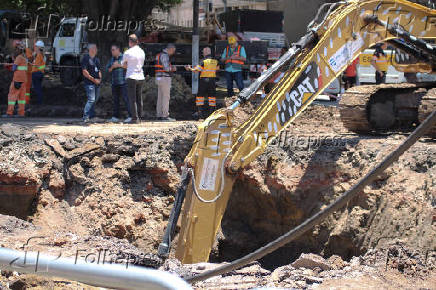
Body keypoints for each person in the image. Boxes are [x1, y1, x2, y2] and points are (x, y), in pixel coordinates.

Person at [185, 47, 219, 120]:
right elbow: (217, 69)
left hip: (204, 81)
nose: (202, 53)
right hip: (212, 81)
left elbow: (197, 70)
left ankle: (201, 116)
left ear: (206, 52)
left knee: (200, 97)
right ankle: (211, 116)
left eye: (203, 52)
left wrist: (189, 68)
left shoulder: (203, 61)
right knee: (212, 98)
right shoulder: (215, 61)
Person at [122, 34, 145, 124]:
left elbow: (124, 65)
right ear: (137, 41)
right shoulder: (142, 51)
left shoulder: (128, 52)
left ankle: (135, 118)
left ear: (130, 42)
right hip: (140, 75)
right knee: (139, 98)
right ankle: (140, 117)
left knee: (132, 99)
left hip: (131, 76)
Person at [106, 44, 131, 123]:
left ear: (118, 50)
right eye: (111, 50)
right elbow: (108, 70)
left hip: (124, 82)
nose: (112, 52)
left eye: (113, 50)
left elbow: (129, 67)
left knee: (126, 99)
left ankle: (131, 116)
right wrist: (113, 67)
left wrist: (119, 65)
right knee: (115, 100)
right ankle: (115, 116)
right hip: (115, 83)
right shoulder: (111, 59)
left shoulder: (124, 57)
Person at [3, 42, 28, 118]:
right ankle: (21, 113)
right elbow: (18, 67)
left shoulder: (19, 58)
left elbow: (14, 68)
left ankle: (9, 113)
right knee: (21, 98)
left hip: (17, 80)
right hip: (23, 80)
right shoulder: (24, 58)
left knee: (11, 96)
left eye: (16, 49)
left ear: (19, 50)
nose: (15, 50)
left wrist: (9, 65)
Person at [155, 43, 176, 121]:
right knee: (166, 97)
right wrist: (173, 68)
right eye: (173, 51)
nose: (173, 53)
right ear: (170, 49)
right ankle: (165, 116)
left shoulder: (158, 55)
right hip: (165, 78)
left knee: (160, 97)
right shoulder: (165, 56)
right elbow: (166, 68)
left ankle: (159, 115)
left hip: (158, 78)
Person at [81, 43, 102, 123]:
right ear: (91, 49)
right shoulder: (85, 58)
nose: (96, 50)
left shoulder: (97, 59)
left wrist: (100, 79)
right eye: (95, 48)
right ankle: (85, 116)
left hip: (97, 83)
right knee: (91, 99)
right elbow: (84, 72)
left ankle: (91, 115)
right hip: (89, 83)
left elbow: (99, 70)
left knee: (94, 99)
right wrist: (93, 80)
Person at [32, 40, 46, 105]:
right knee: (38, 88)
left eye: (36, 46)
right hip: (40, 74)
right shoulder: (42, 55)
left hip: (36, 73)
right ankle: (40, 102)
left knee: (37, 89)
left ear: (38, 47)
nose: (35, 47)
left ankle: (39, 103)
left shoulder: (39, 55)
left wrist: (30, 63)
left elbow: (36, 65)